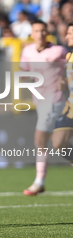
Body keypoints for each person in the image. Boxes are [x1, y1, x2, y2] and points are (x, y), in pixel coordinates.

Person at [20, 19, 68, 196]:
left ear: (47, 32)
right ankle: (39, 182)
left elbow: (69, 68)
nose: (40, 34)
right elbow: (24, 72)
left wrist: (65, 80)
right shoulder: (27, 51)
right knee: (60, 144)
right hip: (40, 102)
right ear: (31, 34)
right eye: (37, 31)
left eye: (43, 30)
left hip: (55, 100)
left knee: (40, 139)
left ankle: (39, 182)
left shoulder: (58, 51)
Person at [52, 22, 73, 165]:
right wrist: (63, 82)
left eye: (70, 33)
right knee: (58, 143)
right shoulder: (69, 57)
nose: (66, 36)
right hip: (70, 107)